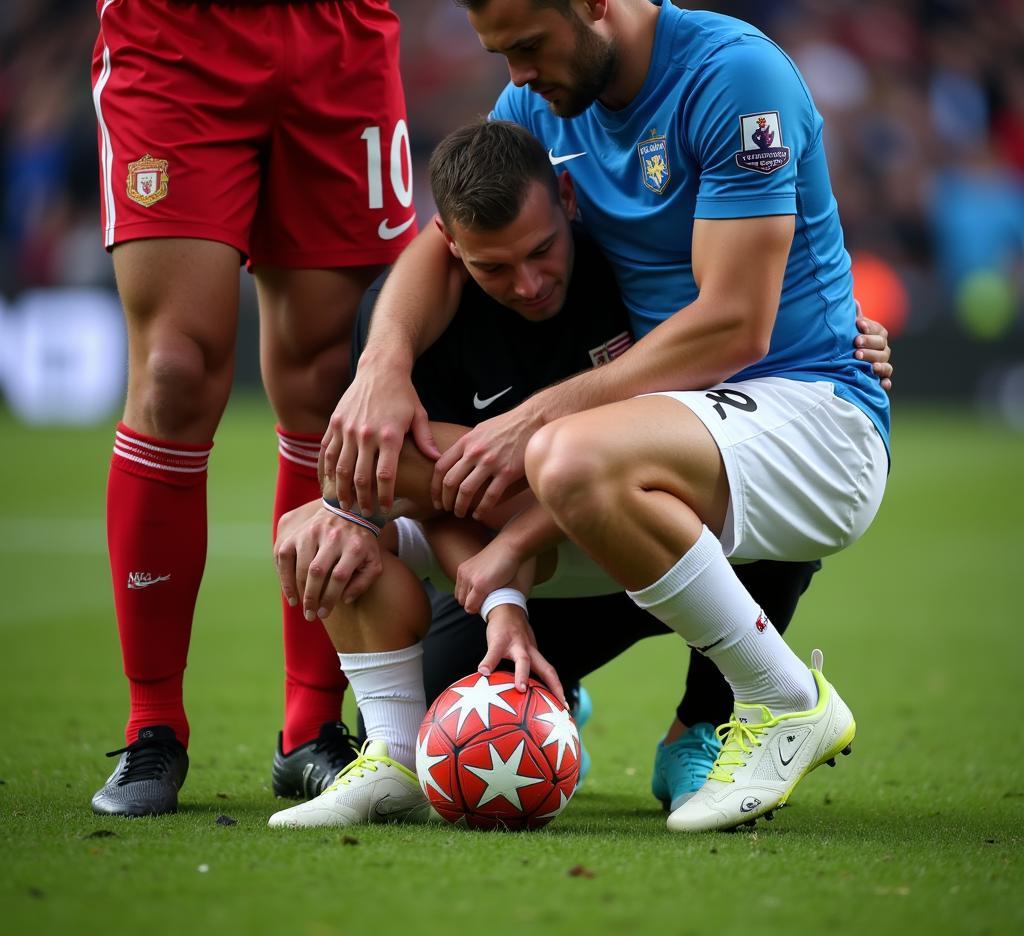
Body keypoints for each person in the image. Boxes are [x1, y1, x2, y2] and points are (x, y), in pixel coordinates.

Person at [318, 0, 892, 833]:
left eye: (525, 46)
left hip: (808, 408)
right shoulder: (540, 103)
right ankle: (402, 754)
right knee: (350, 481)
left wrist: (539, 423)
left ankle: (777, 701)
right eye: (500, 52)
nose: (513, 74)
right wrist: (381, 369)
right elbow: (447, 240)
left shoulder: (734, 76)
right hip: (660, 430)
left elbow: (737, 324)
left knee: (569, 452)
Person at [89, 0, 417, 816]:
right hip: (177, 37)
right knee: (173, 370)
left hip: (337, 34)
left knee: (323, 377)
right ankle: (151, 726)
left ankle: (310, 728)